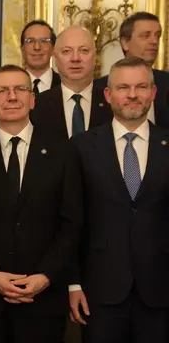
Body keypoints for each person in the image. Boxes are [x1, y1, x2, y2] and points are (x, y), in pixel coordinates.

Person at [0, 65, 83, 343]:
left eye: (20, 89)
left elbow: (71, 223)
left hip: (43, 298)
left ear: (33, 98)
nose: (12, 96)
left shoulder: (63, 150)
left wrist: (46, 276)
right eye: (2, 91)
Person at [69, 57, 169, 343]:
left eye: (141, 87)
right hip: (100, 291)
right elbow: (72, 220)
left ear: (153, 92)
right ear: (108, 94)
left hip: (161, 290)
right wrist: (73, 283)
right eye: (123, 87)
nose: (133, 95)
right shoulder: (82, 146)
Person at [32, 26, 112, 140]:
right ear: (55, 57)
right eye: (66, 51)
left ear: (95, 57)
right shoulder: (37, 106)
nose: (75, 58)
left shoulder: (112, 103)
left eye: (83, 50)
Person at [94, 12, 169, 128]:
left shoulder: (166, 82)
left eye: (157, 36)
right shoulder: (98, 89)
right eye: (146, 35)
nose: (154, 41)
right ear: (125, 43)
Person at [20, 20, 61, 94]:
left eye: (44, 41)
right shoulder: (9, 85)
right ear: (22, 49)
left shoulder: (66, 85)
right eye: (30, 41)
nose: (37, 47)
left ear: (53, 49)